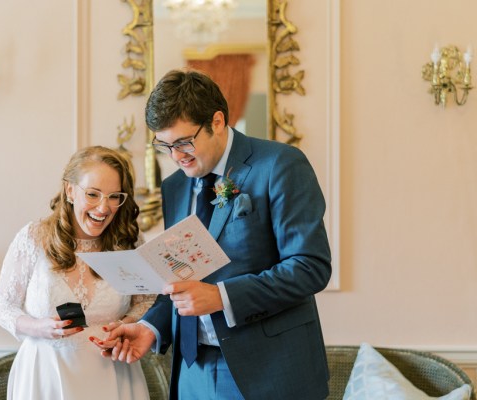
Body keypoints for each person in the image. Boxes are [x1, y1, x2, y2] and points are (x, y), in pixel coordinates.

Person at [98, 69, 332, 399]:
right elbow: (182, 279)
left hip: (270, 374)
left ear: (217, 122)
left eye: (183, 142)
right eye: (164, 145)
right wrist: (150, 327)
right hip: (191, 373)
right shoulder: (175, 186)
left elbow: (310, 267)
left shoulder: (280, 165)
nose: (176, 156)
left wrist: (221, 297)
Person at [0, 146, 156, 400]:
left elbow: (146, 302)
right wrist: (39, 327)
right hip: (45, 375)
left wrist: (124, 326)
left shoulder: (129, 242)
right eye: (93, 194)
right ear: (70, 190)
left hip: (112, 375)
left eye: (114, 197)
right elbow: (2, 306)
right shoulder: (34, 238)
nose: (104, 208)